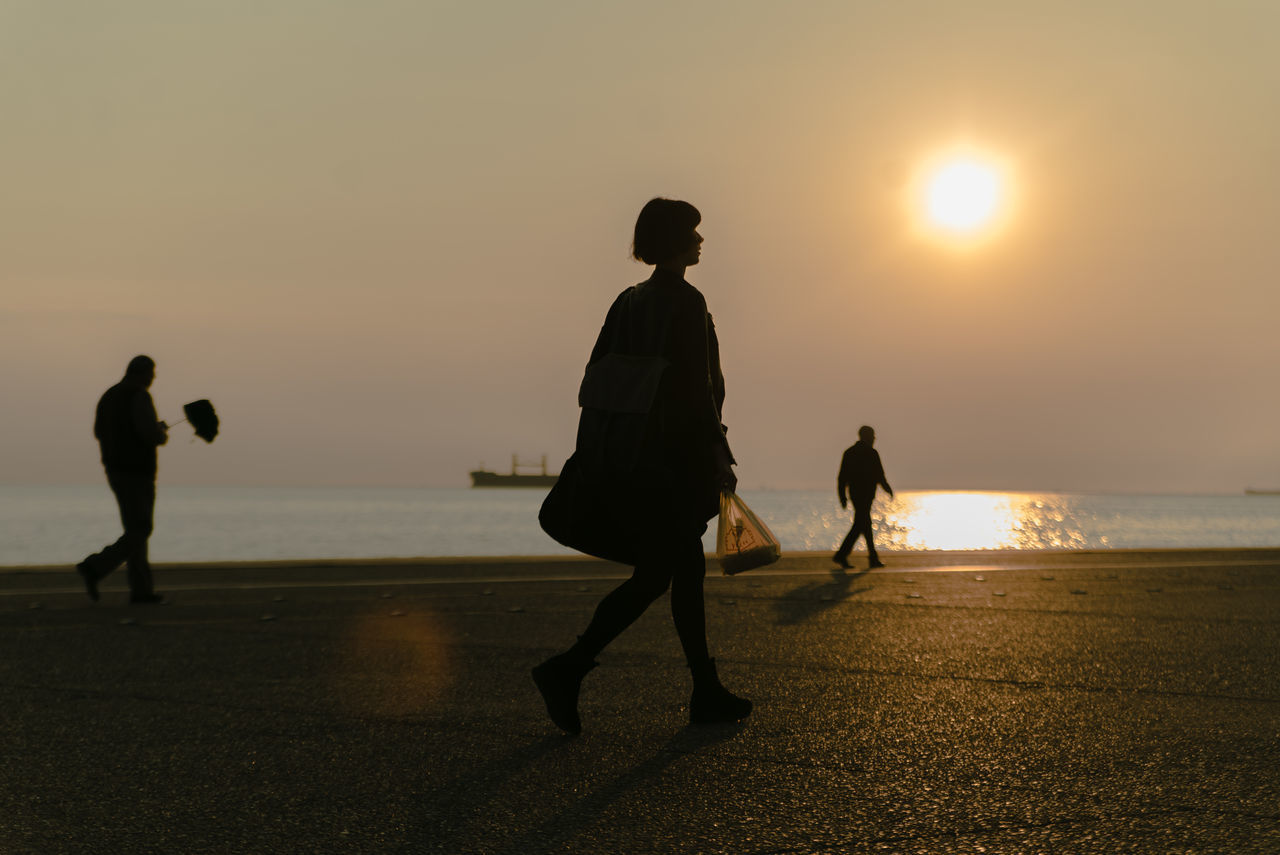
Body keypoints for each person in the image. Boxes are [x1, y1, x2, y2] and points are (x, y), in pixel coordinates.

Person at [532, 198, 751, 734]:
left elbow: (598, 384)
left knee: (677, 572)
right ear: (674, 238)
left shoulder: (627, 301)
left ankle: (702, 688)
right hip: (673, 463)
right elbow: (699, 394)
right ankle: (571, 667)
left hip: (632, 458)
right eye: (693, 233)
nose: (701, 241)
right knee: (662, 573)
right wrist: (720, 457)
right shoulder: (686, 302)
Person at [76, 355, 169, 604]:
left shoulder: (109, 396)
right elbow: (149, 434)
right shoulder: (139, 395)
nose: (154, 378)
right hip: (137, 472)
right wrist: (160, 433)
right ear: (142, 373)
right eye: (152, 373)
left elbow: (98, 431)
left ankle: (141, 591)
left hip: (115, 470)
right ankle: (95, 566)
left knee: (134, 528)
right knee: (141, 528)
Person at [834, 425, 894, 570]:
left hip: (855, 494)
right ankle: (842, 555)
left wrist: (842, 496)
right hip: (865, 495)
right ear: (867, 436)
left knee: (864, 524)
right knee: (861, 524)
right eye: (872, 436)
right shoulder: (872, 453)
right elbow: (880, 475)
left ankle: (871, 557)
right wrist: (888, 489)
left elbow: (842, 478)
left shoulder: (849, 453)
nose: (874, 438)